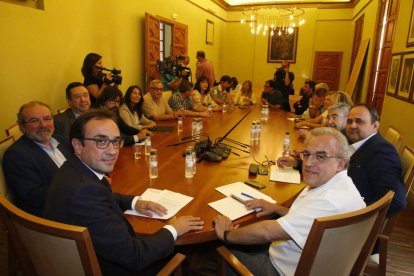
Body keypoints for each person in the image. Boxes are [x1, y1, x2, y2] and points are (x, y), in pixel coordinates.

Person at [43, 110, 204, 275]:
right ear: (77, 145)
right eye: (101, 141)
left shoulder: (73, 169)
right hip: (108, 268)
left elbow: (103, 196)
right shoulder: (84, 192)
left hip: (86, 257)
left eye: (116, 141)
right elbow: (136, 257)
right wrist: (173, 229)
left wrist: (135, 202)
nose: (112, 151)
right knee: (181, 252)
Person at [214, 127, 365, 275]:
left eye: (320, 156)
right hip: (320, 265)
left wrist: (227, 235)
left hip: (282, 269)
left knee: (216, 248)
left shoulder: (329, 201)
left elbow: (267, 232)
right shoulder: (341, 185)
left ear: (341, 164)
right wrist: (277, 208)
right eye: (306, 154)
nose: (308, 163)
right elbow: (312, 221)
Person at [3, 101, 73, 216]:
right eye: (34, 120)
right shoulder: (16, 156)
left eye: (47, 118)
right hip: (55, 216)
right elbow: (35, 198)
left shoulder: (63, 140)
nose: (43, 125)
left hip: (81, 200)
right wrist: (78, 187)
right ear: (22, 126)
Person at [346, 104, 406, 216]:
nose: (352, 125)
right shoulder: (360, 143)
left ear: (375, 126)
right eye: (349, 121)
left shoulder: (381, 151)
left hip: (353, 218)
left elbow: (396, 200)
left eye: (359, 121)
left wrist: (359, 217)